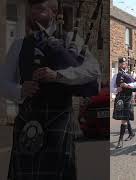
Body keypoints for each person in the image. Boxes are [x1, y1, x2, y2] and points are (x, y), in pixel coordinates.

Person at [1, 0, 101, 179]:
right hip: (27, 121)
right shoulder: (19, 45)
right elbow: (3, 82)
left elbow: (94, 72)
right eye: (32, 9)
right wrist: (20, 90)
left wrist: (58, 75)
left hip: (59, 120)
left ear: (54, 13)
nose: (33, 13)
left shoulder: (70, 40)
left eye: (40, 9)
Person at [111, 57, 136, 148]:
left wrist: (128, 85)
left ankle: (120, 140)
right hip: (120, 98)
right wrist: (117, 89)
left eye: (123, 63)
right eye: (120, 63)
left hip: (128, 98)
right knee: (124, 117)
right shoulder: (116, 75)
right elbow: (111, 88)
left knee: (124, 119)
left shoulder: (132, 73)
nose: (122, 65)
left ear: (126, 64)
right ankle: (131, 133)